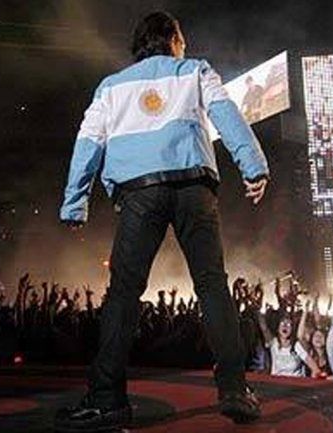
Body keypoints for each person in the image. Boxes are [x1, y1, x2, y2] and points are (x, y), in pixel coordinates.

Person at [55, 11, 270, 432]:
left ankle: (107, 401)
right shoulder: (195, 71)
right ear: (173, 39)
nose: (184, 47)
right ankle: (234, 390)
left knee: (123, 294)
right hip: (194, 187)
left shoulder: (111, 87)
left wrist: (74, 203)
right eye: (182, 40)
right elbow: (226, 114)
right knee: (212, 285)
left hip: (139, 194)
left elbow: (88, 142)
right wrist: (253, 166)